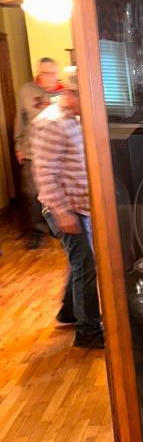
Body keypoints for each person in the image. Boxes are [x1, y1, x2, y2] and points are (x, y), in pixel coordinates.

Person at [29, 66, 104, 349]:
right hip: (65, 209)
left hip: (82, 207)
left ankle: (69, 311)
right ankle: (88, 332)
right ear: (71, 93)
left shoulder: (78, 118)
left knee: (80, 264)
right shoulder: (51, 123)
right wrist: (62, 212)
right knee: (85, 264)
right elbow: (45, 173)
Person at [13, 57, 63, 249]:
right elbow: (20, 119)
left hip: (57, 153)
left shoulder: (64, 93)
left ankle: (56, 226)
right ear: (38, 73)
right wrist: (19, 146)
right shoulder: (27, 91)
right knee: (31, 193)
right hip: (32, 152)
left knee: (57, 192)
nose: (47, 77)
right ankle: (36, 231)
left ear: (57, 74)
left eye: (51, 73)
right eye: (44, 73)